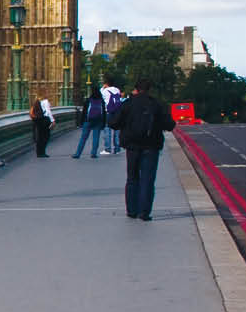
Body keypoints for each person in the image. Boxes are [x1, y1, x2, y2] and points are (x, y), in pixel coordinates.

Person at [109, 77, 176, 221]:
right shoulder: (156, 104)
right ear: (149, 89)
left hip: (132, 146)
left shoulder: (128, 103)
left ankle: (132, 210)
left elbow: (113, 123)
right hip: (151, 146)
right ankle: (144, 213)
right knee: (148, 179)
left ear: (136, 89)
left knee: (132, 178)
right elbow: (170, 125)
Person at [72, 85, 106, 158]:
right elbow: (104, 113)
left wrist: (81, 122)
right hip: (98, 121)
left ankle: (78, 154)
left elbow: (84, 112)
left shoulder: (88, 100)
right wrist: (103, 124)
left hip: (88, 121)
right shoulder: (101, 101)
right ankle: (93, 153)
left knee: (83, 138)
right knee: (96, 138)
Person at [100, 77, 125, 154]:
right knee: (117, 130)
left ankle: (107, 149)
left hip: (109, 112)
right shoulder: (117, 90)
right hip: (117, 112)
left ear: (106, 84)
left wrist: (102, 88)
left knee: (107, 129)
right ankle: (117, 149)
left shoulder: (104, 91)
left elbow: (100, 94)